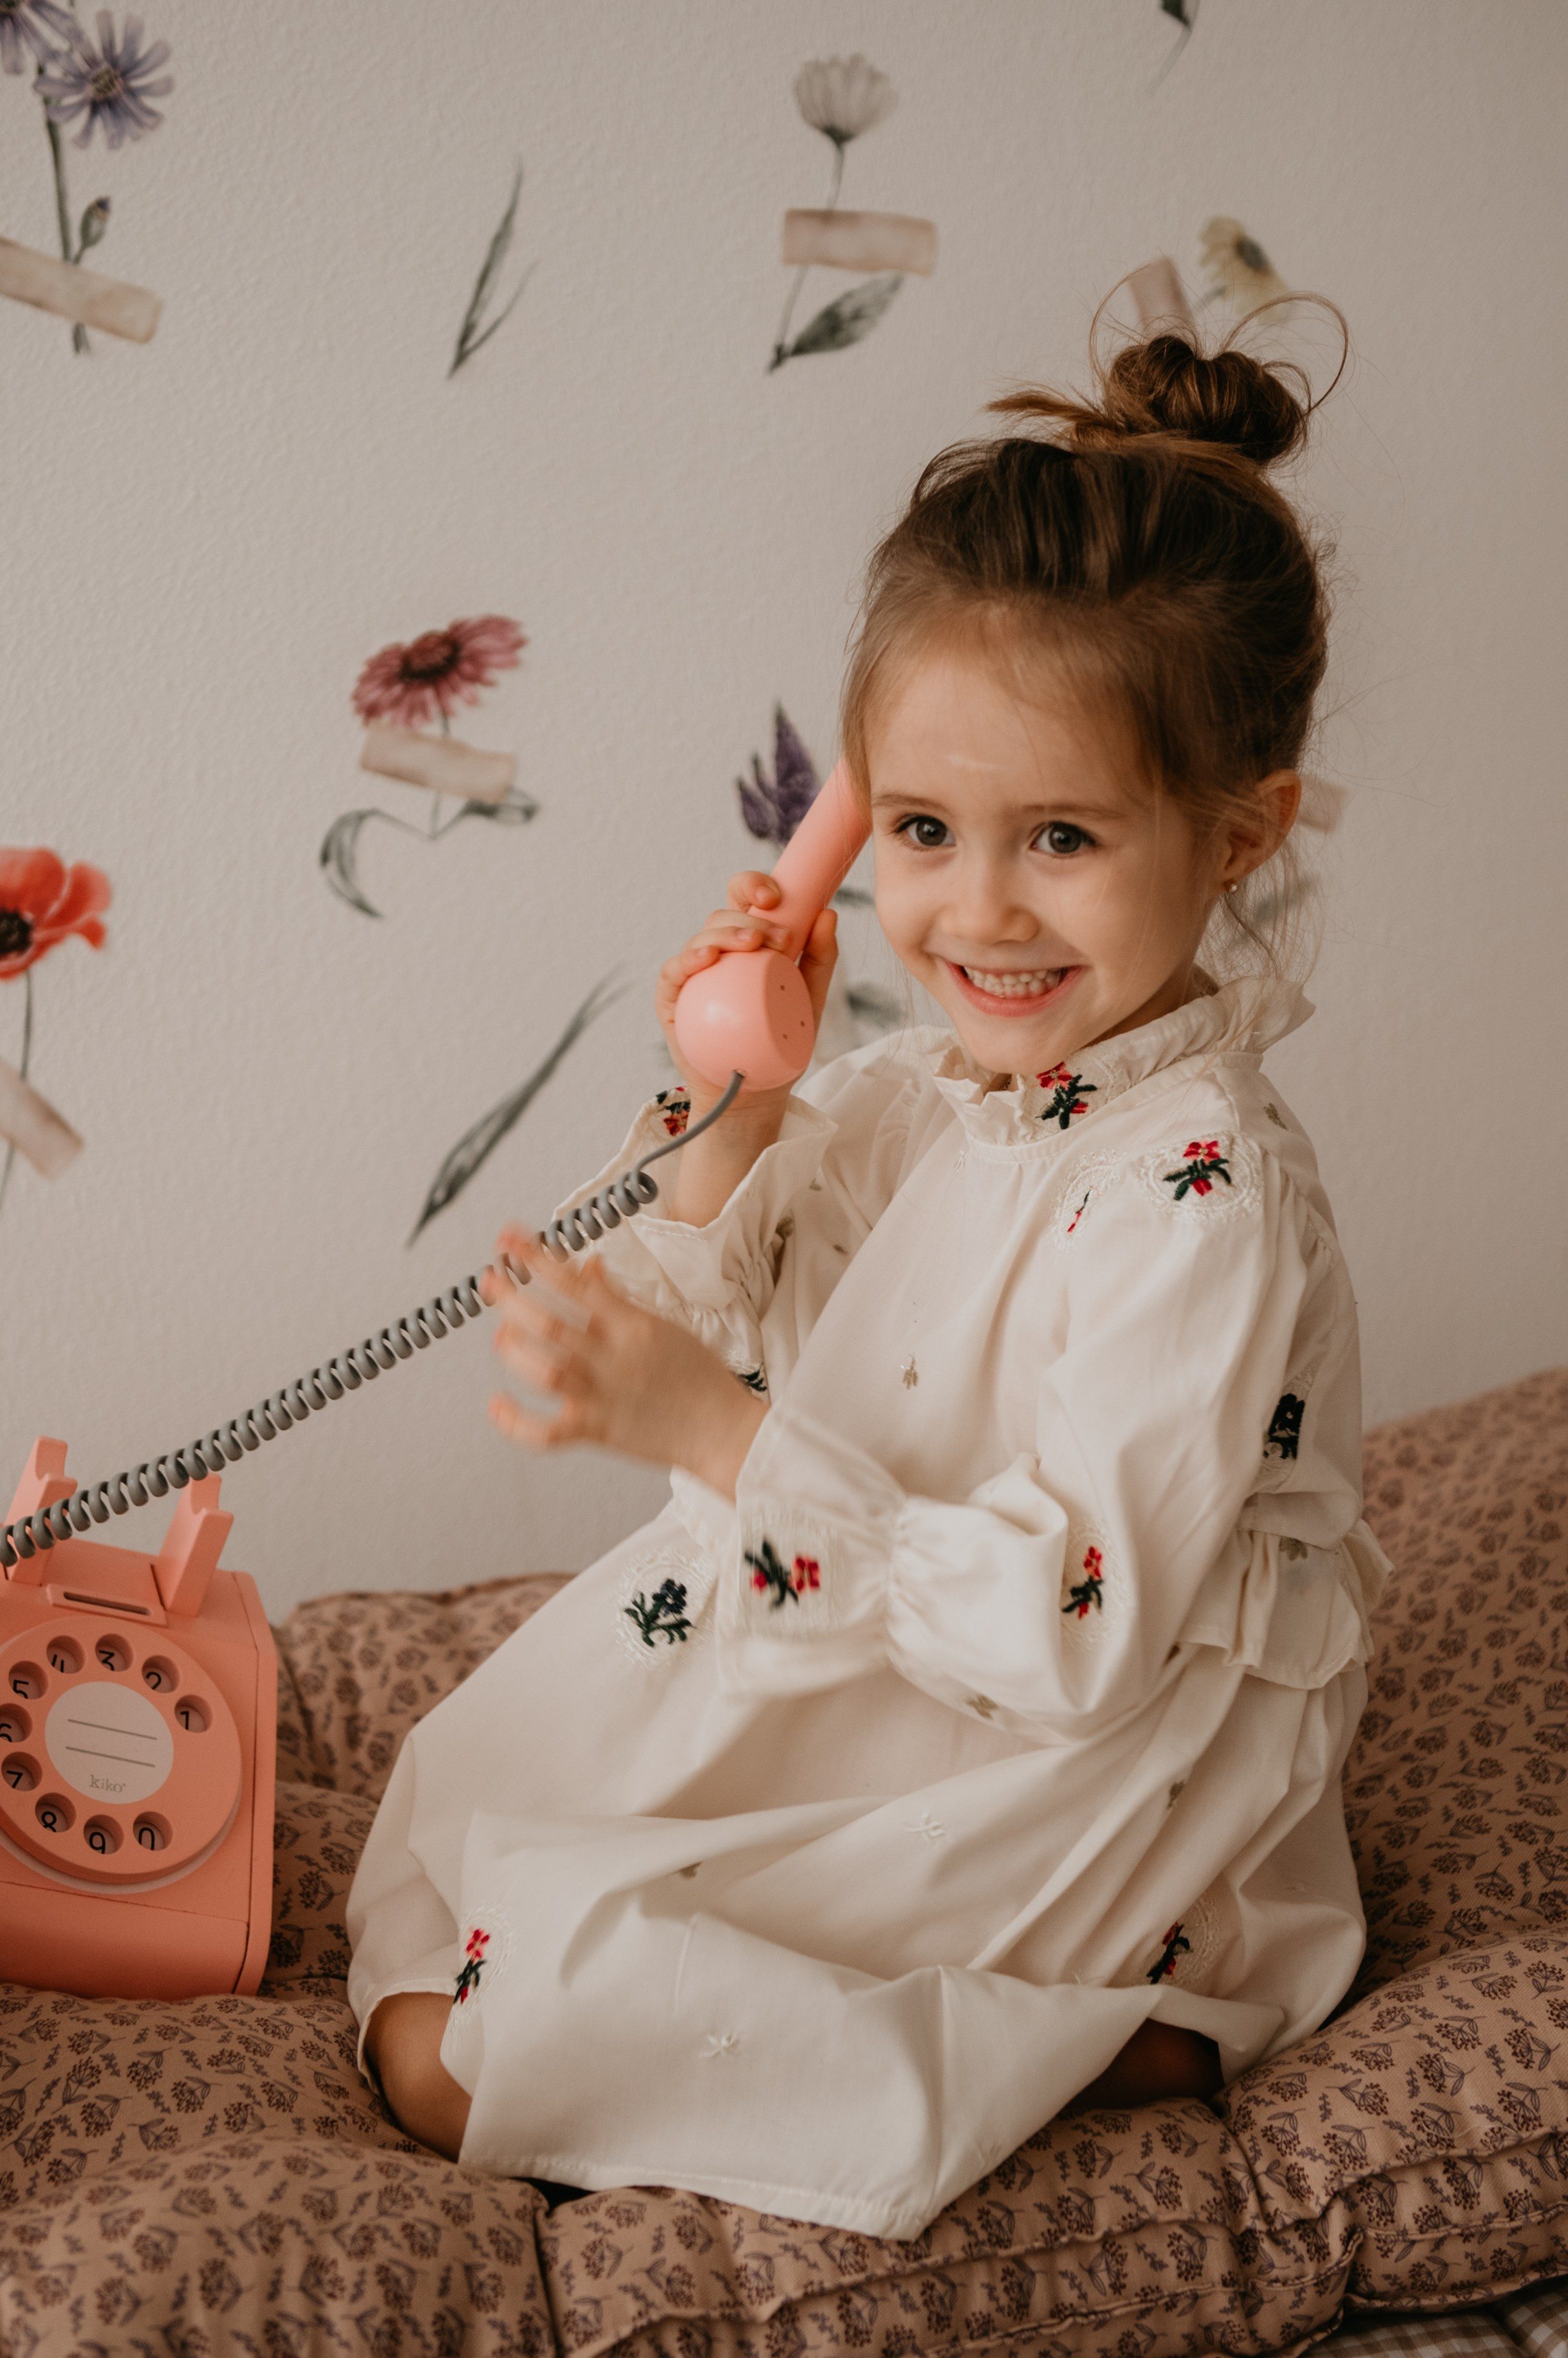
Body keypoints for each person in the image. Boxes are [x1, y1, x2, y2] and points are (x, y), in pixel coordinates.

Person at [347, 318, 1388, 2242]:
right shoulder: (935, 1084)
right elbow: (815, 1334)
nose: (972, 913)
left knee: (461, 2051)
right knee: (442, 1858)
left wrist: (712, 1433)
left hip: (1082, 1731)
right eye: (917, 832)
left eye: (1060, 839)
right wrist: (735, 1108)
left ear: (1241, 832)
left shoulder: (1200, 1196)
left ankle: (1120, 2008)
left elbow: (1080, 1631)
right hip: (927, 1657)